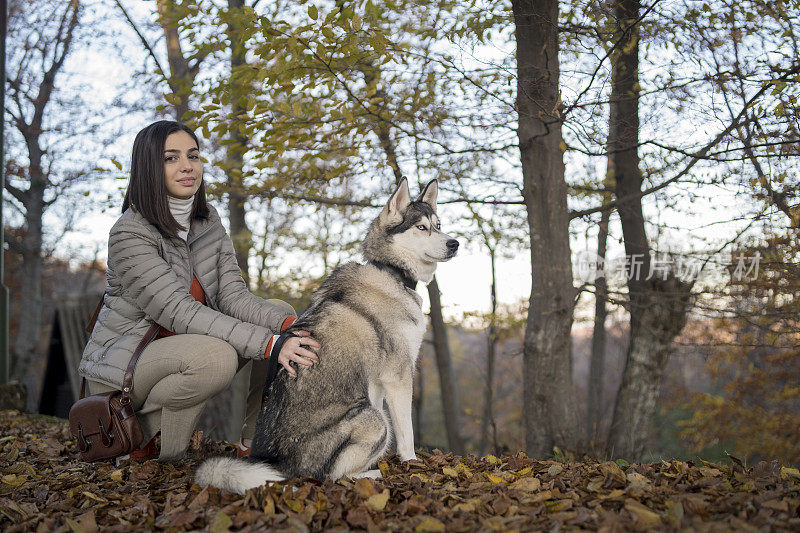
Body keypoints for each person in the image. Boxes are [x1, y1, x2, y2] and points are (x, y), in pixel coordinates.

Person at [78, 120, 320, 462]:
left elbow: (233, 297)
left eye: (193, 155)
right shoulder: (129, 234)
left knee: (281, 311)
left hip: (186, 350)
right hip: (127, 369)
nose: (187, 165)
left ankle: (255, 444)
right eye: (170, 158)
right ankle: (152, 446)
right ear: (149, 167)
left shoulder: (208, 222)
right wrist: (270, 344)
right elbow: (178, 311)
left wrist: (290, 328)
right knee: (216, 355)